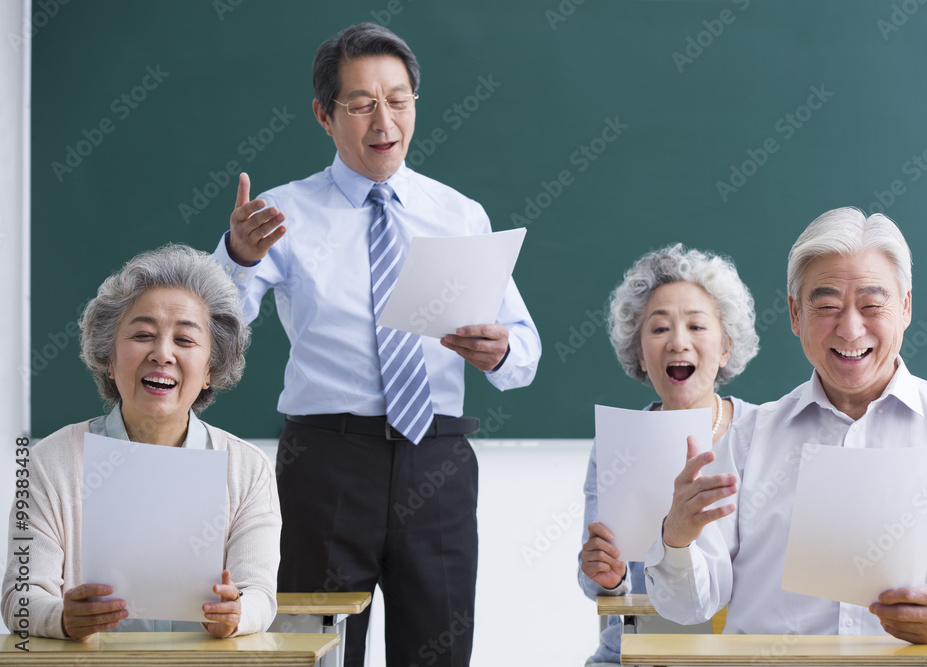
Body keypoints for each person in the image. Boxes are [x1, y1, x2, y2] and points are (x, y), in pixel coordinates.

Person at [210, 22, 540, 667]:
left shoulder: (459, 215)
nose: (383, 120)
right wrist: (236, 258)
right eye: (361, 104)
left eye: (398, 99)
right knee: (319, 654)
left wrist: (498, 350)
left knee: (438, 651)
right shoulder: (282, 215)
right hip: (327, 463)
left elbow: (524, 353)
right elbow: (215, 330)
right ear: (324, 115)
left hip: (437, 463)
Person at [645, 207, 927, 643]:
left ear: (906, 307)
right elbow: (687, 608)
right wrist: (676, 540)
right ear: (795, 315)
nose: (850, 330)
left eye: (872, 305)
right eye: (828, 306)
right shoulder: (747, 439)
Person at [1, 244, 281, 640]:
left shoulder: (247, 468)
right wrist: (62, 619)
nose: (162, 354)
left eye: (184, 340)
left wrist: (237, 614)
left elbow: (260, 596)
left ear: (210, 370)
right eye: (143, 335)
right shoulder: (51, 462)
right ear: (110, 359)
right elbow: (21, 599)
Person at [578, 244, 759, 665]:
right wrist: (608, 577)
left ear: (726, 347)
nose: (678, 342)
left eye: (697, 327)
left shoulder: (762, 431)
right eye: (659, 330)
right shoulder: (617, 443)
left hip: (737, 652)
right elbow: (601, 585)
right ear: (640, 354)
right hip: (636, 649)